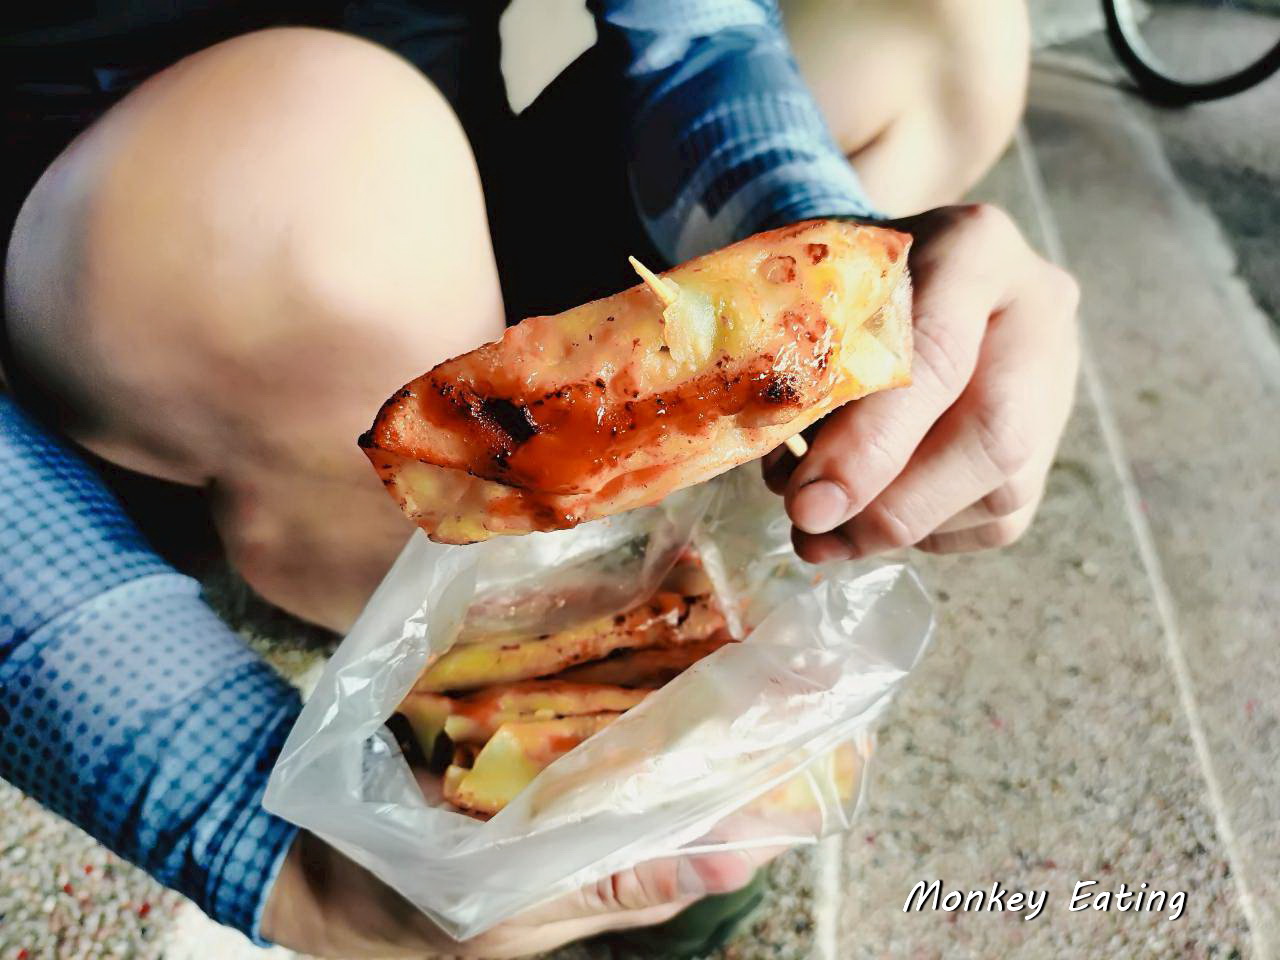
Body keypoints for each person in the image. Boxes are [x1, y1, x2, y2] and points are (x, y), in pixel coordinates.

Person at [0, 1, 1078, 956]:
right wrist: (252, 836)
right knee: (307, 158)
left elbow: (693, 31)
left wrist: (830, 297)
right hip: (147, 283)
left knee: (928, 35)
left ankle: (585, 614)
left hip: (456, 196)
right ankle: (455, 658)